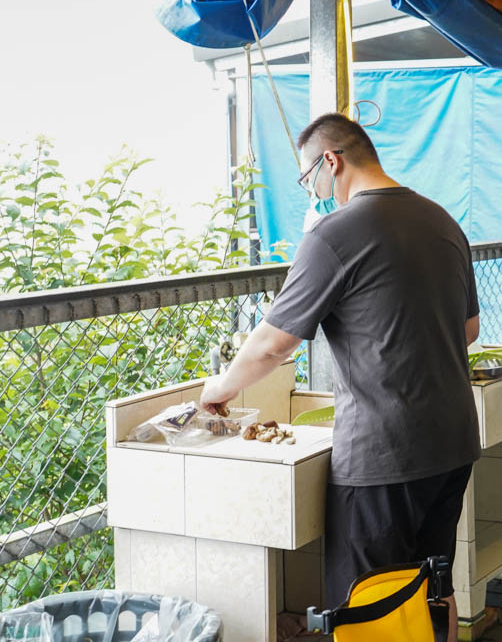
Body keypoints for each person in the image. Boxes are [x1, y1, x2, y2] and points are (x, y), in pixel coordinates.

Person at [199, 114, 480, 641]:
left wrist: (218, 389)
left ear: (331, 161)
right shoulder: (443, 221)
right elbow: (468, 330)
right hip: (453, 442)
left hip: (384, 454)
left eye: (309, 180)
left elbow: (273, 342)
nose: (313, 192)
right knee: (428, 589)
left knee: (369, 608)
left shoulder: (336, 232)